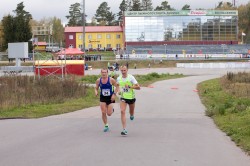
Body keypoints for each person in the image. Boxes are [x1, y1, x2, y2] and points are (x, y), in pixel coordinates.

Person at [117, 65, 140, 135]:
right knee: (122, 111)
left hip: (131, 98)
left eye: (124, 70)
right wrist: (118, 91)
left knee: (131, 112)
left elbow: (138, 87)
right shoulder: (119, 78)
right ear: (120, 70)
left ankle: (132, 115)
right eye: (122, 70)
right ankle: (124, 129)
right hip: (123, 97)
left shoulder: (131, 77)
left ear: (127, 70)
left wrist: (130, 86)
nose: (123, 72)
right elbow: (117, 86)